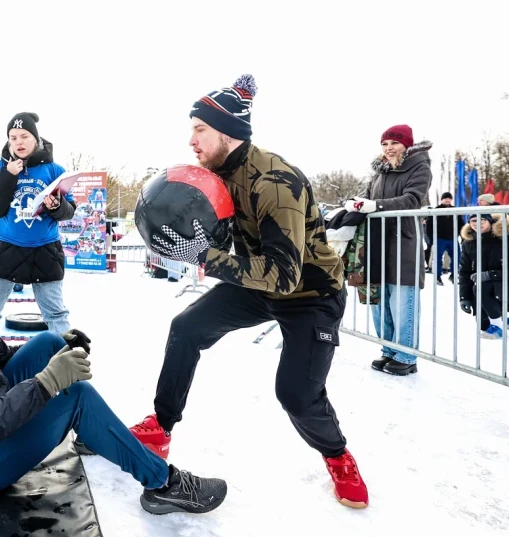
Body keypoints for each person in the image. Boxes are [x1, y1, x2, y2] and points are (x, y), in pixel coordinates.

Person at [132, 74, 368, 509]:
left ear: (227, 133)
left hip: (309, 294)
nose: (191, 140)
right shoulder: (217, 175)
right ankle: (160, 427)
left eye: (199, 129)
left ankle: (337, 456)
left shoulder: (275, 183)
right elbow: (225, 237)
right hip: (260, 283)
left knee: (296, 394)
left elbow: (284, 277)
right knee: (186, 327)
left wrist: (202, 256)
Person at [0, 246, 227, 514]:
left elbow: (2, 358)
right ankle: (163, 484)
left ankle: (96, 432)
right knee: (76, 396)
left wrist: (58, 354)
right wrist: (47, 383)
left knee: (48, 343)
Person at [345, 124, 432, 376]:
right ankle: (389, 350)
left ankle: (406, 355)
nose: (389, 148)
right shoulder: (379, 171)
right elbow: (367, 197)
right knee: (379, 299)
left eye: (394, 143)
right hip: (376, 242)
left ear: (406, 145)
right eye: (384, 144)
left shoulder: (419, 167)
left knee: (402, 300)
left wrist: (375, 205)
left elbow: (413, 199)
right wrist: (355, 202)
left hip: (402, 242)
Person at [0, 112, 76, 333]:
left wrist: (56, 206)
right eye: (13, 138)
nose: (19, 142)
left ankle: (65, 362)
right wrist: (8, 175)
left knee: (56, 314)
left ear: (36, 139)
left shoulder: (55, 170)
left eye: (24, 136)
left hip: (45, 249)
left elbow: (68, 212)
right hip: (6, 247)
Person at [458, 213, 509, 339]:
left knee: (482, 287)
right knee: (483, 325)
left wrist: (491, 275)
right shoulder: (469, 243)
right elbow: (465, 272)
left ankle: (503, 321)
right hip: (487, 286)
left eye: (481, 220)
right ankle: (503, 318)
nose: (477, 223)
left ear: (489, 220)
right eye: (473, 221)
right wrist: (464, 296)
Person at [426, 192, 457, 285]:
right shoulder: (436, 210)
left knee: (457, 258)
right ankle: (437, 276)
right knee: (437, 258)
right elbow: (429, 225)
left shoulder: (456, 210)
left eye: (449, 198)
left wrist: (460, 234)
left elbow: (460, 223)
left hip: (452, 238)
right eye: (445, 198)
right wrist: (431, 239)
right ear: (442, 199)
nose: (447, 200)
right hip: (439, 238)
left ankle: (454, 275)